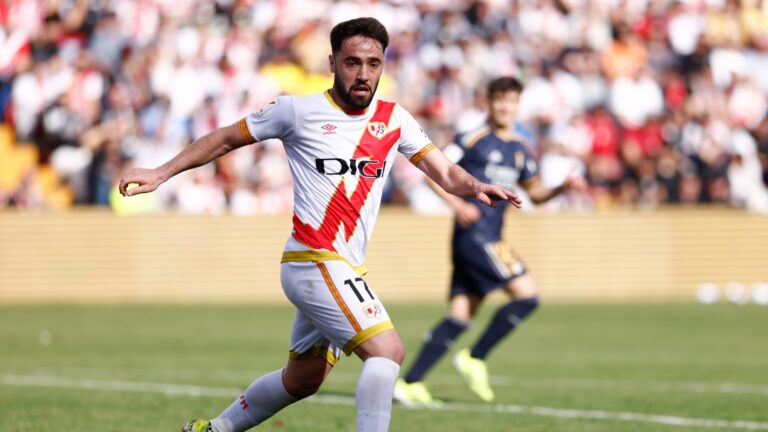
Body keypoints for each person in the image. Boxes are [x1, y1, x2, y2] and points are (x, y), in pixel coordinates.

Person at [118, 18, 521, 432]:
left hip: (343, 266)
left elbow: (448, 174)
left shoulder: (395, 119)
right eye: (352, 62)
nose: (363, 74)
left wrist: (476, 186)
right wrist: (162, 172)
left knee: (304, 379)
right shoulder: (296, 111)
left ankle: (213, 430)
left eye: (373, 63)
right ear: (332, 62)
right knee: (387, 351)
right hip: (314, 260)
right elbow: (224, 138)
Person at [393, 77, 586, 406]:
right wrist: (457, 205)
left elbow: (536, 194)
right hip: (476, 235)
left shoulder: (521, 150)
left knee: (460, 314)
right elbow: (432, 172)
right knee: (528, 296)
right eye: (500, 100)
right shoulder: (471, 140)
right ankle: (475, 357)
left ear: (518, 105)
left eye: (512, 101)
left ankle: (409, 383)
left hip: (489, 237)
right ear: (489, 102)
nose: (506, 107)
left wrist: (561, 188)